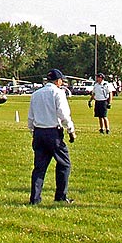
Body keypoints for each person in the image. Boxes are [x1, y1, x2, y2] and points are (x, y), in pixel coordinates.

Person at [26, 69, 76, 204]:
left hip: (38, 132)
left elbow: (30, 117)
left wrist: (33, 132)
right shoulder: (58, 93)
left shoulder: (36, 94)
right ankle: (60, 196)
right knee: (64, 164)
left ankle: (35, 198)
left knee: (39, 168)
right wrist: (71, 130)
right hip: (53, 133)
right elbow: (63, 114)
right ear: (58, 81)